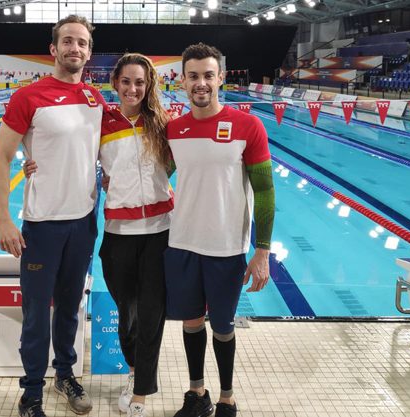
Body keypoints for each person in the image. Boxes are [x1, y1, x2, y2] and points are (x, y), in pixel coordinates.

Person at [24, 53, 173, 417]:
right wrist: (30, 161)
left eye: (140, 82)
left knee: (152, 312)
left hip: (159, 229)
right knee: (127, 311)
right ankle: (134, 370)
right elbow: (68, 150)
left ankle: (140, 390)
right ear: (115, 83)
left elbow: (181, 164)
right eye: (126, 81)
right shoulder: (101, 121)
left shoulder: (164, 123)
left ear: (148, 85)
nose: (133, 88)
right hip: (118, 231)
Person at [0, 15, 106, 417]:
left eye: (83, 43)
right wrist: (4, 217)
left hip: (84, 221)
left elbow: (104, 153)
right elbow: (2, 158)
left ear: (89, 52)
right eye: (69, 42)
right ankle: (32, 391)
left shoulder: (96, 98)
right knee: (38, 313)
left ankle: (65, 373)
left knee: (71, 306)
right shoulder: (29, 97)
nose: (76, 49)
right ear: (54, 49)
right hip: (41, 224)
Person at [165, 43, 275, 417]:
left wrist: (262, 251)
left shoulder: (248, 126)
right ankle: (198, 394)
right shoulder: (173, 129)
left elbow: (265, 191)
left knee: (224, 326)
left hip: (227, 247)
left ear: (220, 78)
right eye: (193, 76)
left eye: (208, 75)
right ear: (182, 81)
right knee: (191, 321)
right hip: (181, 242)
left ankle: (227, 396)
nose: (201, 83)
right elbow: (152, 175)